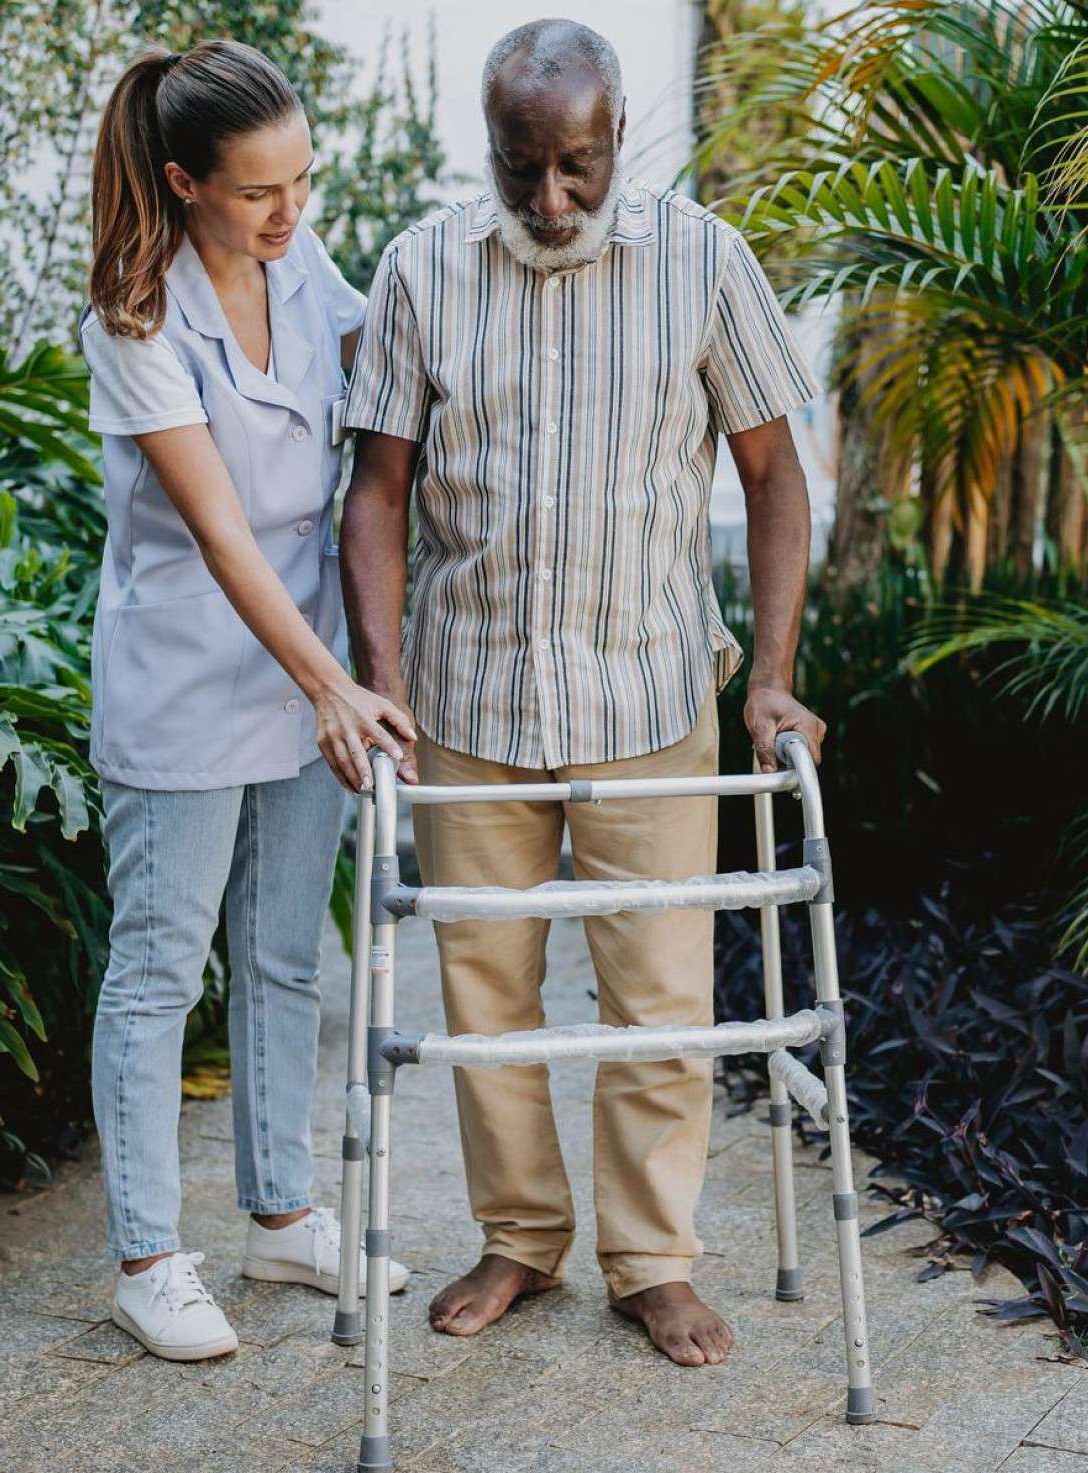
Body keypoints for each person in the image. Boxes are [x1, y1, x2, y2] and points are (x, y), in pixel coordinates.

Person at [337, 18, 828, 1370]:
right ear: (489, 142)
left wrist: (773, 680)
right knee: (484, 994)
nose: (550, 199)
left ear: (621, 138)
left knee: (657, 996)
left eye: (578, 166)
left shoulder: (705, 262)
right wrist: (382, 684)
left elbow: (776, 475)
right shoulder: (423, 266)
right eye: (523, 164)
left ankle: (653, 1260)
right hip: (471, 693)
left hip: (649, 686)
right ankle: (519, 1236)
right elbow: (374, 490)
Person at [78, 38, 418, 1362]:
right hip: (188, 671)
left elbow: (389, 381)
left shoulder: (303, 264)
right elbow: (219, 529)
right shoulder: (136, 314)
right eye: (259, 191)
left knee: (286, 953)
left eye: (304, 180)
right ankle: (148, 1259)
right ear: (183, 182)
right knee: (160, 970)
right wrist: (336, 683)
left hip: (305, 664)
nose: (290, 211)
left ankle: (281, 1216)